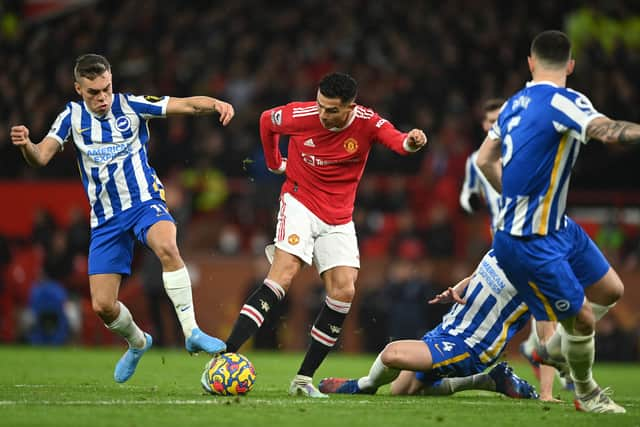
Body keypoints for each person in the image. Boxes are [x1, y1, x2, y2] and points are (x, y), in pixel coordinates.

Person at [10, 54, 234, 383]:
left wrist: (215, 103)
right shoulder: (70, 117)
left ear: (112, 82)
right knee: (103, 305)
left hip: (144, 202)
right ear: (78, 89)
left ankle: (192, 331)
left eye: (106, 89)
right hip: (105, 220)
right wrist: (27, 145)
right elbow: (40, 157)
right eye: (93, 92)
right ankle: (138, 342)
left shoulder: (131, 106)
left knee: (168, 247)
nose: (101, 98)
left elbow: (185, 105)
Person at [224, 72, 427, 398]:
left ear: (350, 107)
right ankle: (225, 357)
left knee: (344, 291)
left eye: (331, 110)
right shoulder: (301, 115)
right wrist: (276, 161)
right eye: (320, 105)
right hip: (299, 200)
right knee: (284, 274)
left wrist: (411, 142)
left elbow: (398, 141)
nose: (323, 114)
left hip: (339, 216)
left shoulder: (367, 122)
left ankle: (303, 380)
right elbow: (266, 121)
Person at [476, 30, 638, 413]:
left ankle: (544, 348)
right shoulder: (566, 101)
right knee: (583, 320)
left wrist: (516, 198)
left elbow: (485, 160)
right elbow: (605, 130)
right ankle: (586, 393)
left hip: (558, 226)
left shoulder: (514, 103)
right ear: (570, 65)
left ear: (530, 63)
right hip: (528, 239)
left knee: (610, 290)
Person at [318, 250, 538, 400]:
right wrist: (457, 289)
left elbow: (547, 320)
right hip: (449, 328)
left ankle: (362, 386)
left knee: (391, 354)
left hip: (471, 345)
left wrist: (547, 391)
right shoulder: (502, 245)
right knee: (401, 390)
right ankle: (490, 380)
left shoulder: (538, 269)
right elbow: (476, 276)